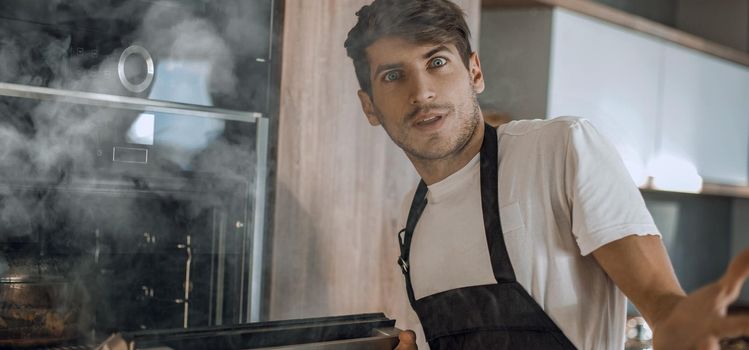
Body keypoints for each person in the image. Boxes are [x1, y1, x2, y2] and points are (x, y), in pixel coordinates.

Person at [344, 0, 749, 349]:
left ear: (475, 73)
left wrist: (673, 319)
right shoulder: (411, 220)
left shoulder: (561, 150)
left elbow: (660, 301)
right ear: (370, 107)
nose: (422, 92)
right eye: (393, 76)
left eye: (437, 62)